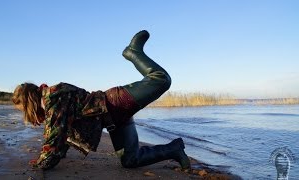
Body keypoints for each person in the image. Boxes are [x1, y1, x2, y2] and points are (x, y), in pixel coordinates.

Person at [12, 30, 191, 171]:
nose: (24, 113)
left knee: (160, 79)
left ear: (29, 102)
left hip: (116, 102)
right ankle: (174, 150)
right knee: (130, 160)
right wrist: (58, 154)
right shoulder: (52, 104)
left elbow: (55, 135)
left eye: (22, 109)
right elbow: (63, 133)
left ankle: (133, 52)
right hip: (115, 120)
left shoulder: (53, 97)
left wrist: (42, 163)